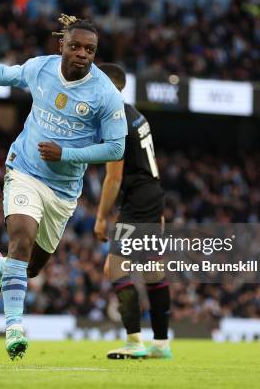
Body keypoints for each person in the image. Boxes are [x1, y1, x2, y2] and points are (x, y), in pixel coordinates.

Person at [0, 14, 127, 359]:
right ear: (62, 44)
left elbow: (116, 148)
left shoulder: (106, 94)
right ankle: (14, 327)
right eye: (76, 46)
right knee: (21, 237)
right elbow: (4, 75)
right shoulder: (41, 68)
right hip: (25, 170)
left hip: (63, 192)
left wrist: (68, 154)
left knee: (30, 267)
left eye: (90, 49)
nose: (82, 54)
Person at [94, 63, 172, 359]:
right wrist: (159, 208)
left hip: (138, 200)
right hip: (152, 195)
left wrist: (101, 217)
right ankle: (161, 344)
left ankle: (134, 342)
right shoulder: (137, 115)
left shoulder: (115, 118)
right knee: (153, 269)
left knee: (114, 267)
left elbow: (113, 177)